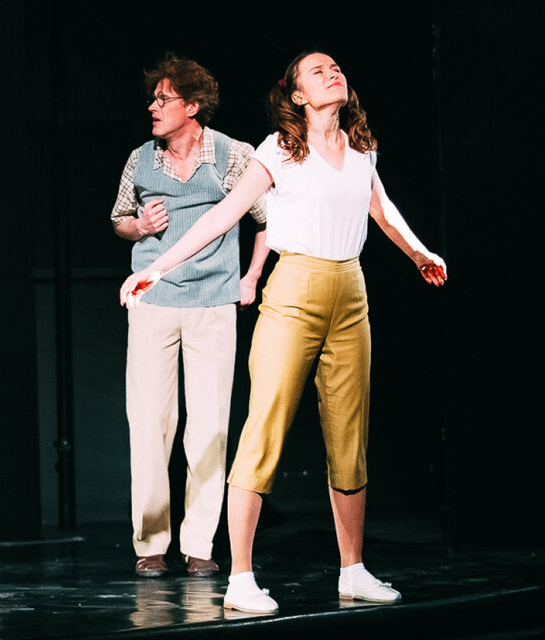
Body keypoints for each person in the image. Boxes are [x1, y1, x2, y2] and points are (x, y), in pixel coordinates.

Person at [119, 51, 447, 611]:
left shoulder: (361, 148)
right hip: (294, 291)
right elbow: (222, 216)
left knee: (350, 437)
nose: (333, 73)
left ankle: (353, 569)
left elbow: (382, 208)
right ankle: (240, 578)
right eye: (318, 71)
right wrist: (158, 267)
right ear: (297, 94)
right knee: (264, 430)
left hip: (351, 293)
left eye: (337, 67)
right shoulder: (277, 150)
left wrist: (419, 252)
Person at [111, 54, 270, 578]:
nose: (152, 107)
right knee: (149, 424)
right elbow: (119, 219)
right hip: (153, 302)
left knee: (208, 425)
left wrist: (251, 277)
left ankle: (199, 543)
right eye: (152, 99)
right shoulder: (141, 159)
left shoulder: (232, 155)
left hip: (212, 303)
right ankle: (151, 543)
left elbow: (266, 219)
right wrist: (139, 227)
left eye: (164, 99)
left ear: (193, 105)